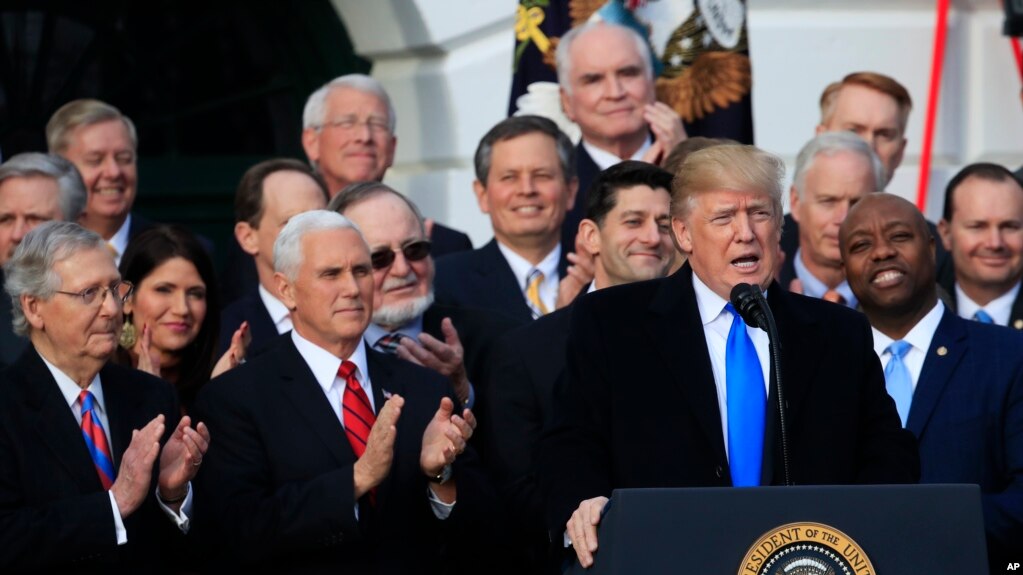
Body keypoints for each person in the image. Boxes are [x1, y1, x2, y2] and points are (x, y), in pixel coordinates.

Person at [542, 144, 918, 569]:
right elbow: (572, 441)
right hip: (665, 558)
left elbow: (887, 454)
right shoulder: (614, 322)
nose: (746, 233)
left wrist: (866, 530)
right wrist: (585, 501)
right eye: (724, 217)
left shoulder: (838, 331)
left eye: (759, 214)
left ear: (779, 226)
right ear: (683, 233)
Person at [193, 210, 493, 572]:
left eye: (361, 271)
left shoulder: (425, 387)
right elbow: (241, 530)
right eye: (330, 274)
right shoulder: (236, 397)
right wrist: (358, 477)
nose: (352, 288)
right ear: (286, 290)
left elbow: (486, 536)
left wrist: (438, 476)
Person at [486, 160, 676, 574]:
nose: (652, 237)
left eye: (664, 223)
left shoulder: (704, 338)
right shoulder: (525, 352)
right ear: (591, 235)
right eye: (633, 221)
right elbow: (518, 491)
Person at [0, 221, 209, 571]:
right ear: (34, 307)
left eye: (115, 289)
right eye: (88, 294)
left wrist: (171, 495)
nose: (112, 309)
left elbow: (191, 550)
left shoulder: (153, 397)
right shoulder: (7, 406)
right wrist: (115, 503)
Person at [839, 193, 1023, 573]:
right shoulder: (826, 369)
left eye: (899, 236)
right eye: (861, 245)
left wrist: (931, 527)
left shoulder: (1009, 354)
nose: (881, 252)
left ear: (933, 247)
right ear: (845, 268)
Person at [329, 182, 518, 412]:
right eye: (378, 258)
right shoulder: (314, 348)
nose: (402, 269)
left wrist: (460, 391)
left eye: (414, 250)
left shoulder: (496, 338)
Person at [780, 71, 950, 284]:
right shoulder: (767, 246)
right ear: (821, 137)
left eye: (884, 134)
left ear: (900, 151)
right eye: (853, 131)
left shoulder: (937, 252)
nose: (868, 146)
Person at [301, 74, 472, 257]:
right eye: (347, 123)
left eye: (377, 124)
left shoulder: (444, 247)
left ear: (392, 147)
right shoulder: (285, 239)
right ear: (312, 142)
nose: (364, 136)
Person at [434, 115, 581, 323]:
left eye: (542, 175)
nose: (526, 190)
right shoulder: (444, 283)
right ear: (482, 195)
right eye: (509, 177)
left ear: (570, 190)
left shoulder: (599, 276)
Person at [556, 21, 687, 253]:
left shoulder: (706, 164)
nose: (615, 93)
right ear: (567, 102)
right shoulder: (553, 190)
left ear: (652, 84)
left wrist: (686, 168)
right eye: (594, 79)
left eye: (628, 73)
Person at [116, 225, 246, 412]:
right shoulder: (98, 380)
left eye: (195, 293)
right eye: (164, 290)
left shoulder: (220, 379)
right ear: (126, 297)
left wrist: (219, 394)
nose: (182, 309)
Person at [219, 159, 328, 352]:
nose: (313, 234)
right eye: (291, 222)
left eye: (321, 220)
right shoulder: (224, 333)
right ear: (248, 237)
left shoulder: (358, 315)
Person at [0, 152, 87, 366]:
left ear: (77, 226)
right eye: (6, 219)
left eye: (35, 218)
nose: (17, 234)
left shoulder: (113, 301)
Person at [779, 131, 884, 305]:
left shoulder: (903, 298)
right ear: (796, 202)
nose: (843, 218)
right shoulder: (763, 291)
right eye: (828, 201)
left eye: (857, 203)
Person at [46, 99, 147, 265]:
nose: (114, 172)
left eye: (124, 159)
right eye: (95, 160)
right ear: (59, 168)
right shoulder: (32, 254)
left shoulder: (175, 253)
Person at [937, 163, 1023, 329]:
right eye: (977, 227)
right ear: (946, 233)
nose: (995, 243)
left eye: (1009, 227)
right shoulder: (917, 313)